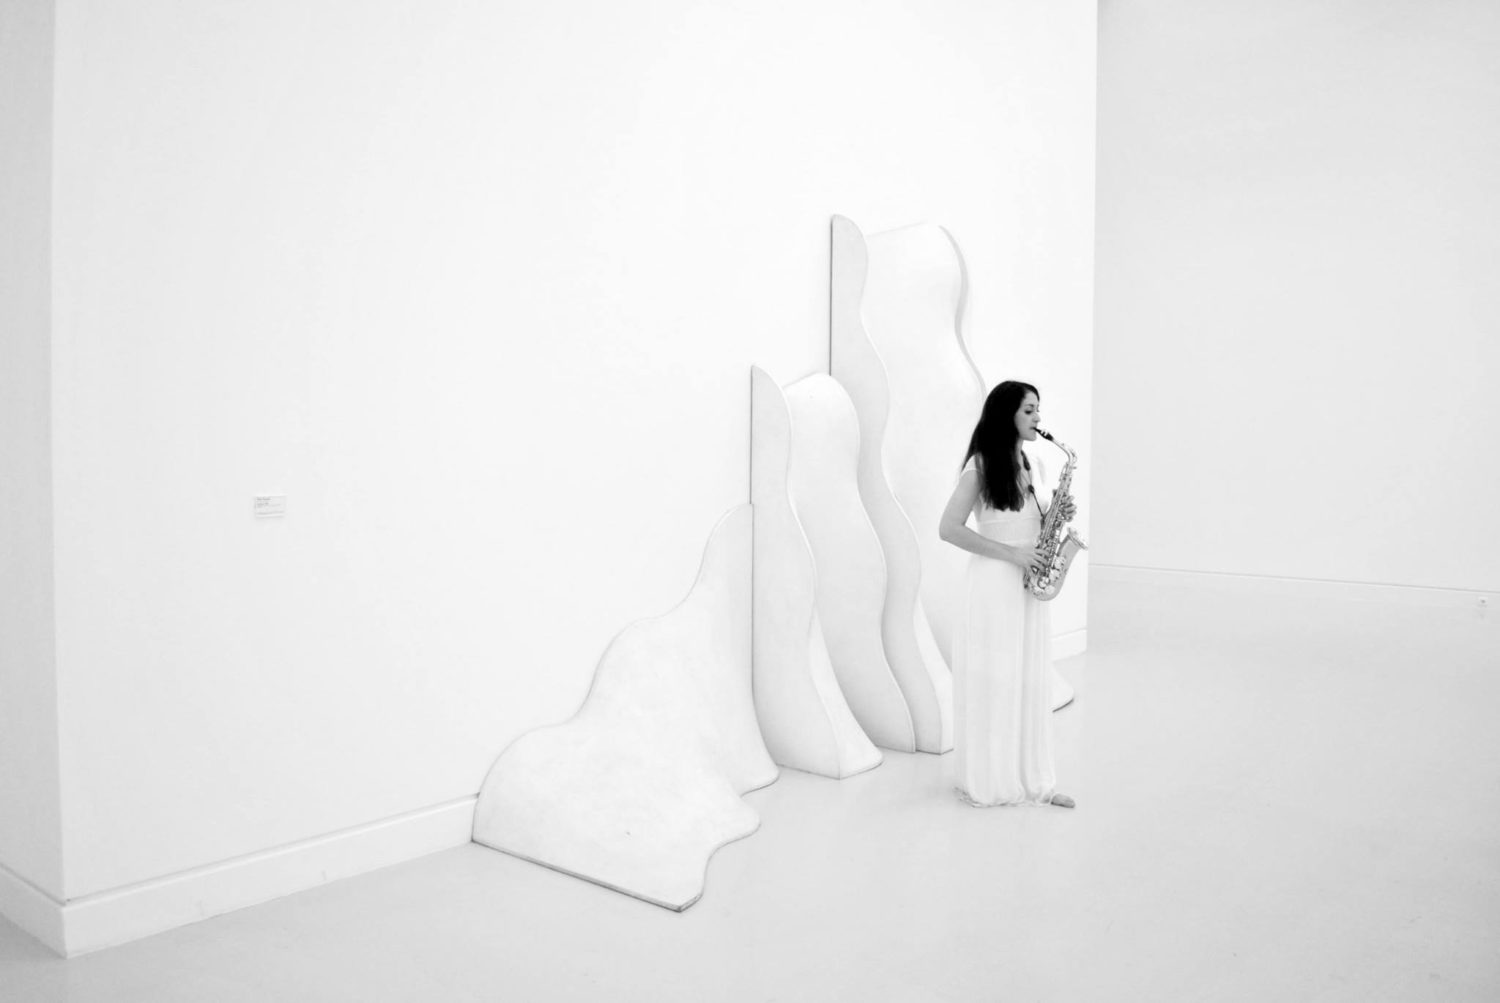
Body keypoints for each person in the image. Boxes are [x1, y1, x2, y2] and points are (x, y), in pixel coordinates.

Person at [938, 381, 1076, 808]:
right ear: (1007, 415)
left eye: (1038, 410)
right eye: (1029, 410)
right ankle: (993, 781)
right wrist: (1012, 554)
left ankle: (1033, 781)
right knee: (997, 680)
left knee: (1027, 678)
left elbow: (1028, 522)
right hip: (994, 584)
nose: (1038, 418)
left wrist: (1056, 514)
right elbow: (948, 529)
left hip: (1028, 583)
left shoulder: (1033, 463)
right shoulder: (979, 466)